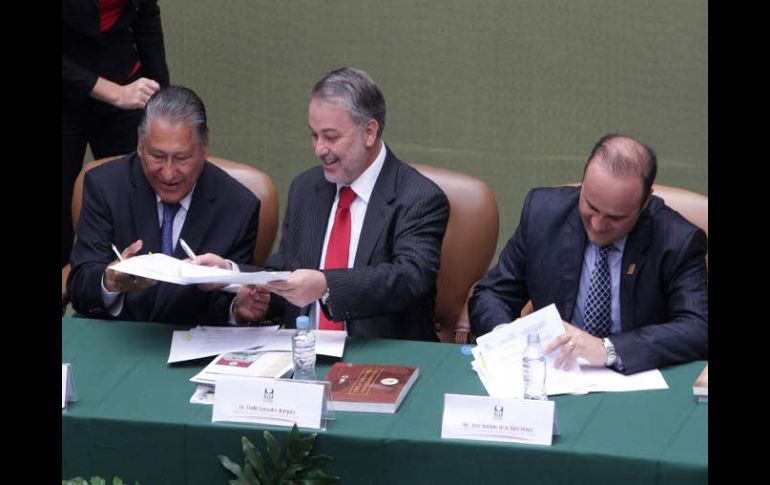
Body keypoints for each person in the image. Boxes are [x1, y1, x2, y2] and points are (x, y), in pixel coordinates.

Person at [224, 67, 450, 340]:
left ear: (369, 131)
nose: (319, 148)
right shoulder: (306, 189)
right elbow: (286, 272)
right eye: (314, 135)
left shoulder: (418, 197)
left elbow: (408, 278)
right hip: (302, 358)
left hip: (381, 362)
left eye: (331, 137)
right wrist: (233, 274)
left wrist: (326, 285)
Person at [469, 134, 708, 374]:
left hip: (635, 380)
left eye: (615, 217)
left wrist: (609, 349)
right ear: (583, 182)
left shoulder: (677, 241)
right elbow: (491, 294)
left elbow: (698, 328)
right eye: (591, 206)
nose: (597, 224)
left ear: (645, 201)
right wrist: (508, 340)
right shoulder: (543, 214)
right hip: (556, 374)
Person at [67, 86, 263, 325]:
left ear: (204, 149)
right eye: (157, 156)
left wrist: (238, 309)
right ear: (140, 145)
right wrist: (110, 281)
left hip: (191, 345)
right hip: (118, 337)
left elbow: (224, 304)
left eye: (181, 158)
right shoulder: (105, 186)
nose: (169, 173)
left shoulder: (238, 206)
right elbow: (79, 286)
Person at [63, 0, 170, 269]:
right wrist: (113, 93)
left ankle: (130, 296)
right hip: (70, 89)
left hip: (123, 78)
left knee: (132, 202)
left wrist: (163, 105)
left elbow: (147, 22)